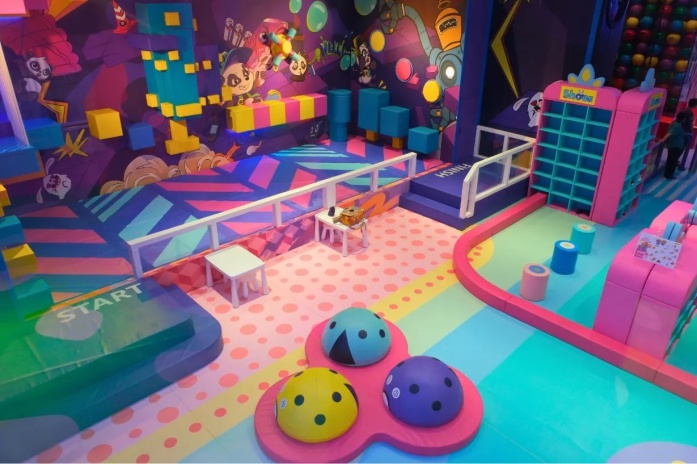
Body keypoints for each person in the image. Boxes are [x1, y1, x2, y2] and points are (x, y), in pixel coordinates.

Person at [661, 111, 688, 179]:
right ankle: (668, 174)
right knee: (673, 161)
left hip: (672, 144)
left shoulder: (674, 123)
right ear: (683, 119)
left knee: (670, 160)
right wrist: (663, 140)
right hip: (676, 146)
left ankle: (667, 174)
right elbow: (670, 133)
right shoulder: (677, 126)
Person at [677, 98, 697, 171]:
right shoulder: (688, 112)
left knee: (681, 147)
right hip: (686, 132)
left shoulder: (686, 110)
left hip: (684, 131)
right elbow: (688, 122)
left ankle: (676, 160)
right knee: (681, 147)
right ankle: (676, 162)